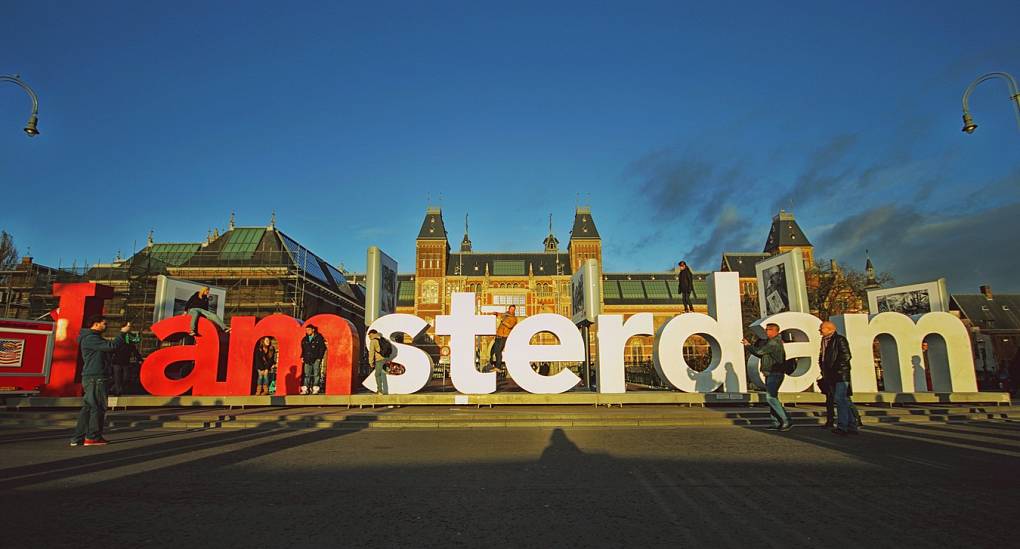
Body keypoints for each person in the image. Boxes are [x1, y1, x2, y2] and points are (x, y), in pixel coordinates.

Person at [70, 316, 132, 447]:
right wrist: (122, 333)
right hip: (96, 377)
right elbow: (111, 346)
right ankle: (92, 437)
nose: (106, 326)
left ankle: (78, 437)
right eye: (104, 323)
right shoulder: (91, 338)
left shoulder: (90, 337)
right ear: (96, 324)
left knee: (88, 408)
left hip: (92, 376)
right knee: (98, 407)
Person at [743, 323, 791, 431]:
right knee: (773, 397)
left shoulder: (774, 342)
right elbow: (761, 354)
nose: (766, 331)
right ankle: (776, 422)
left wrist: (748, 345)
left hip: (775, 373)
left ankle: (786, 420)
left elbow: (759, 351)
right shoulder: (772, 342)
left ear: (775, 331)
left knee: (771, 398)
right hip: (771, 373)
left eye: (768, 329)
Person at [818, 321, 859, 435]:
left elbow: (846, 355)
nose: (820, 331)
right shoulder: (825, 341)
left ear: (830, 329)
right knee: (843, 400)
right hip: (830, 374)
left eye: (822, 329)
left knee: (840, 399)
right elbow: (823, 356)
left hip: (840, 374)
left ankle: (842, 426)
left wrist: (836, 369)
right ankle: (851, 425)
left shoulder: (839, 340)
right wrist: (823, 368)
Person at [489, 304, 518, 373]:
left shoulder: (514, 318)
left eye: (513, 309)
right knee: (494, 351)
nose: (511, 310)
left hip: (504, 336)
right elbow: (500, 315)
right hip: (498, 335)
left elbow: (510, 326)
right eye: (511, 309)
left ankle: (498, 367)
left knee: (499, 351)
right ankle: (491, 365)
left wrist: (503, 321)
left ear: (514, 310)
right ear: (509, 309)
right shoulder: (505, 315)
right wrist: (495, 313)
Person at [300, 324, 326, 395]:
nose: (307, 331)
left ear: (313, 330)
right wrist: (302, 357)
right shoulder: (305, 339)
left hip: (316, 358)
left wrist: (319, 358)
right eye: (306, 330)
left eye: (309, 330)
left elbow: (322, 348)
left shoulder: (319, 338)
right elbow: (303, 349)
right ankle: (305, 389)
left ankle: (315, 388)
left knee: (316, 374)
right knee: (306, 374)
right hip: (307, 359)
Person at [367, 329, 389, 395]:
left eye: (370, 335)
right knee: (383, 374)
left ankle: (380, 391)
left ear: (373, 334)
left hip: (379, 360)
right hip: (385, 359)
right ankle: (385, 390)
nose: (369, 337)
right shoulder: (383, 339)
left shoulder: (373, 341)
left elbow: (371, 352)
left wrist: (371, 362)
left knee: (377, 375)